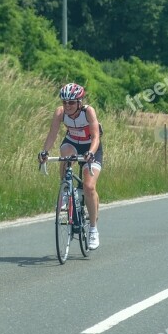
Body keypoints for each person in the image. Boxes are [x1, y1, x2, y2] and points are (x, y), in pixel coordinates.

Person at [37, 82, 102, 250]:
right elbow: (52, 134)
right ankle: (66, 188)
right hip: (72, 143)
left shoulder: (88, 112)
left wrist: (91, 153)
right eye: (65, 102)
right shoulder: (60, 112)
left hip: (90, 147)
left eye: (72, 102)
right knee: (64, 153)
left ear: (79, 102)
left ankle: (93, 229)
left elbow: (96, 137)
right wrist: (44, 151)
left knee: (88, 187)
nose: (67, 106)